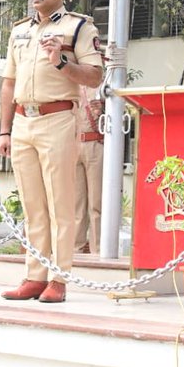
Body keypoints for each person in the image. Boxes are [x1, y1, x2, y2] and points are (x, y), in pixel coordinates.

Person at [0, 0, 104, 303]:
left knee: (61, 203)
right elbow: (8, 83)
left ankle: (58, 277)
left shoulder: (78, 28)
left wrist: (62, 62)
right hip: (23, 120)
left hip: (58, 118)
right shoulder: (19, 31)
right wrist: (4, 130)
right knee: (32, 205)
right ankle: (34, 274)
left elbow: (94, 76)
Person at [73, 85, 104, 255]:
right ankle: (74, 251)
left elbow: (119, 117)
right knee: (76, 204)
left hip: (95, 143)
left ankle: (97, 251)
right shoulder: (67, 83)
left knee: (96, 203)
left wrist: (102, 109)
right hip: (73, 144)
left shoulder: (103, 83)